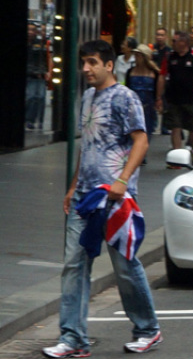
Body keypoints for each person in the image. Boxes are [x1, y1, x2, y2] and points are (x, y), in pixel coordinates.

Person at [43, 39, 162, 358]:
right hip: (85, 197)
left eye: (92, 62)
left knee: (125, 265)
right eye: (83, 62)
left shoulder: (125, 97)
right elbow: (89, 145)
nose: (86, 68)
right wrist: (72, 186)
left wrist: (123, 180)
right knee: (74, 265)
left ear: (109, 65)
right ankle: (73, 339)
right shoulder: (87, 97)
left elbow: (142, 141)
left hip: (115, 198)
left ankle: (148, 329)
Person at [158, 30, 193, 159]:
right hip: (174, 100)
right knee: (175, 128)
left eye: (175, 41)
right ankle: (177, 156)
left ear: (184, 42)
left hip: (191, 100)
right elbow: (162, 76)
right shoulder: (170, 57)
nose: (172, 43)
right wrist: (159, 97)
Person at [120, 38, 160, 140]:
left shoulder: (154, 73)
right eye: (135, 55)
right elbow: (127, 89)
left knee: (146, 133)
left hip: (148, 107)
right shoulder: (130, 72)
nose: (136, 58)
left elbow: (157, 90)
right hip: (133, 107)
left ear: (144, 57)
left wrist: (158, 101)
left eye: (138, 55)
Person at [26, 23, 50, 131]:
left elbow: (45, 58)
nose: (30, 32)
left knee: (38, 97)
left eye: (32, 30)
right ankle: (30, 119)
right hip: (30, 74)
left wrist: (46, 71)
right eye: (29, 29)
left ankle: (33, 120)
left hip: (37, 74)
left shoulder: (40, 44)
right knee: (31, 97)